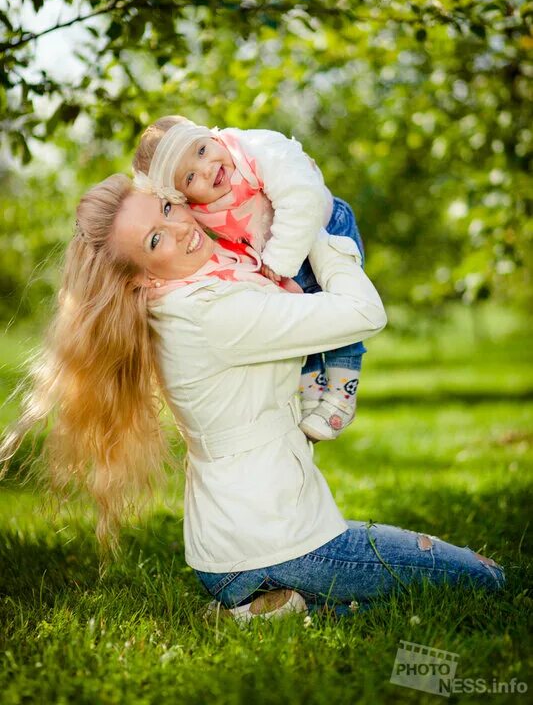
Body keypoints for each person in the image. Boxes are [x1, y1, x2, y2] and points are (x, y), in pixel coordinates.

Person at [1, 175, 505, 621]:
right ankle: (268, 603)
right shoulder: (215, 314)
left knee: (390, 597)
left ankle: (261, 611)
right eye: (156, 239)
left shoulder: (186, 299)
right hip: (279, 543)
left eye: (169, 209)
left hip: (229, 552)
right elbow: (363, 313)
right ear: (141, 277)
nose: (179, 229)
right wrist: (311, 225)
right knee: (487, 581)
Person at [132, 115, 367, 442]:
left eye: (201, 151)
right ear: (181, 196)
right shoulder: (197, 211)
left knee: (341, 326)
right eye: (189, 176)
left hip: (322, 230)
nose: (206, 168)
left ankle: (341, 398)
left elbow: (302, 195)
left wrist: (280, 259)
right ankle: (313, 395)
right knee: (300, 323)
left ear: (212, 137)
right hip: (277, 253)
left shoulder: (258, 148)